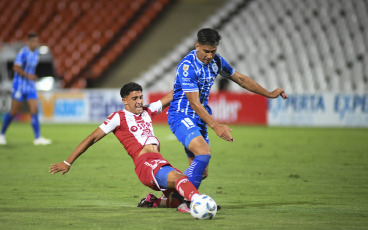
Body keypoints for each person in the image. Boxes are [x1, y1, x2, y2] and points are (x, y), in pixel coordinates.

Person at [49, 82, 204, 213]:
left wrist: (188, 78)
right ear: (125, 100)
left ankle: (155, 201)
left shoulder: (147, 111)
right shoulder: (118, 117)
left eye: (141, 97)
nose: (139, 101)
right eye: (134, 98)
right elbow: (92, 138)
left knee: (184, 190)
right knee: (181, 180)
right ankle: (200, 203)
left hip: (158, 161)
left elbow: (171, 96)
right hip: (145, 164)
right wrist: (68, 162)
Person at [167, 28, 288, 192]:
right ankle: (189, 202)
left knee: (201, 172)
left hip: (200, 118)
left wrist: (268, 93)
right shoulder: (187, 67)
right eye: (206, 51)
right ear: (197, 46)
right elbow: (194, 103)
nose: (209, 55)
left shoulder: (216, 61)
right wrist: (216, 126)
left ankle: (169, 197)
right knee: (203, 152)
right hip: (181, 115)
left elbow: (240, 79)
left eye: (213, 51)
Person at [0, 33, 51, 145]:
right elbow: (16, 68)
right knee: (13, 111)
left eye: (37, 41)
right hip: (19, 86)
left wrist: (31, 76)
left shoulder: (36, 53)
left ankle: (37, 138)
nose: (36, 44)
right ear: (29, 42)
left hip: (30, 86)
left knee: (34, 110)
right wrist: (28, 75)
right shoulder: (23, 52)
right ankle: (2, 134)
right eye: (34, 41)